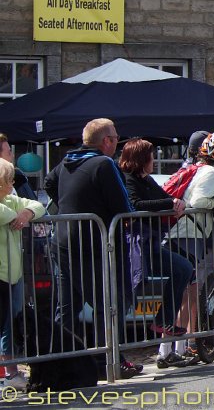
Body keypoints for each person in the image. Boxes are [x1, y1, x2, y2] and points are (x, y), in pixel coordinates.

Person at [44, 118, 141, 378]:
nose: (118, 143)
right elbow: (124, 207)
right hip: (93, 244)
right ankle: (106, 361)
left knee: (67, 308)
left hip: (63, 243)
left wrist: (71, 206)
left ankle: (60, 364)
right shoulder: (104, 163)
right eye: (117, 139)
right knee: (109, 305)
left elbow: (48, 183)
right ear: (106, 141)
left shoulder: (67, 161)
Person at [118, 139, 194, 368]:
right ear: (142, 159)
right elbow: (136, 203)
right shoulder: (128, 179)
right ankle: (114, 353)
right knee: (127, 296)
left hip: (150, 243)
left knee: (183, 268)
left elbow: (162, 196)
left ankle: (163, 321)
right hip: (135, 246)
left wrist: (175, 203)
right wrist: (170, 202)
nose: (154, 160)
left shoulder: (146, 179)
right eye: (151, 156)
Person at [163, 132, 214, 365]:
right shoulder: (212, 172)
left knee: (187, 293)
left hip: (184, 233)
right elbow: (201, 202)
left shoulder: (201, 169)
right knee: (186, 293)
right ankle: (168, 350)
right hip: (189, 235)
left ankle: (176, 347)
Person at [0, 158, 44, 390]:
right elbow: (5, 214)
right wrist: (16, 215)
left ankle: (11, 372)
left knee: (10, 325)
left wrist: (26, 213)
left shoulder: (10, 199)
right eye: (9, 181)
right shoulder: (7, 204)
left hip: (12, 276)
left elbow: (38, 205)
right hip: (2, 276)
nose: (13, 184)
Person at [0, 135, 36, 201]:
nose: (12, 155)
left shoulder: (18, 177)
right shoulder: (17, 176)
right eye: (9, 152)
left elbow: (34, 205)